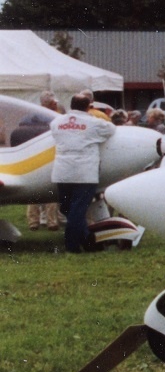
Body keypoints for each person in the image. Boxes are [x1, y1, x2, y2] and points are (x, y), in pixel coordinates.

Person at [51, 93, 115, 253]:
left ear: (72, 105)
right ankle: (79, 243)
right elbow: (111, 129)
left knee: (68, 208)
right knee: (76, 210)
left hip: (63, 170)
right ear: (89, 106)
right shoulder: (94, 123)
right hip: (84, 172)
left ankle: (82, 241)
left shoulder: (56, 122)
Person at [26, 92, 64, 232]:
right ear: (47, 103)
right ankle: (50, 220)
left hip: (34, 157)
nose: (55, 105)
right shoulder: (51, 118)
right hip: (46, 157)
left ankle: (35, 221)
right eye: (53, 103)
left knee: (33, 190)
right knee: (50, 189)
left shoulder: (30, 116)